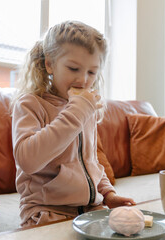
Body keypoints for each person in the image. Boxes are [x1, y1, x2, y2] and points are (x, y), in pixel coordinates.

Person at [11, 21, 135, 227]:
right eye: (74, 68)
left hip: (91, 210)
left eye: (92, 72)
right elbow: (27, 160)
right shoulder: (31, 104)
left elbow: (91, 162)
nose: (83, 80)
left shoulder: (86, 109)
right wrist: (77, 112)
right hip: (46, 213)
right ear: (49, 64)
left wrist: (108, 193)